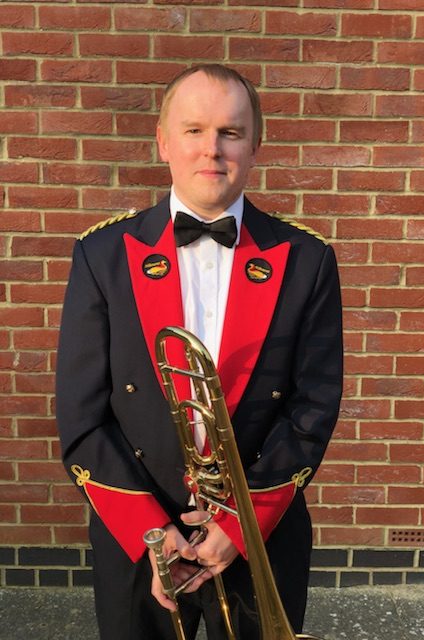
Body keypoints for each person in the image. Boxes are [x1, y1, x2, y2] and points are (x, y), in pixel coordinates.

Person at [56, 64, 343, 640]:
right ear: (163, 141)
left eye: (230, 132)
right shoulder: (102, 254)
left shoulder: (306, 258)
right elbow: (82, 416)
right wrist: (152, 532)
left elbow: (313, 406)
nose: (212, 149)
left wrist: (239, 526)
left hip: (260, 531)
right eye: (193, 130)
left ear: (255, 145)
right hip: (140, 536)